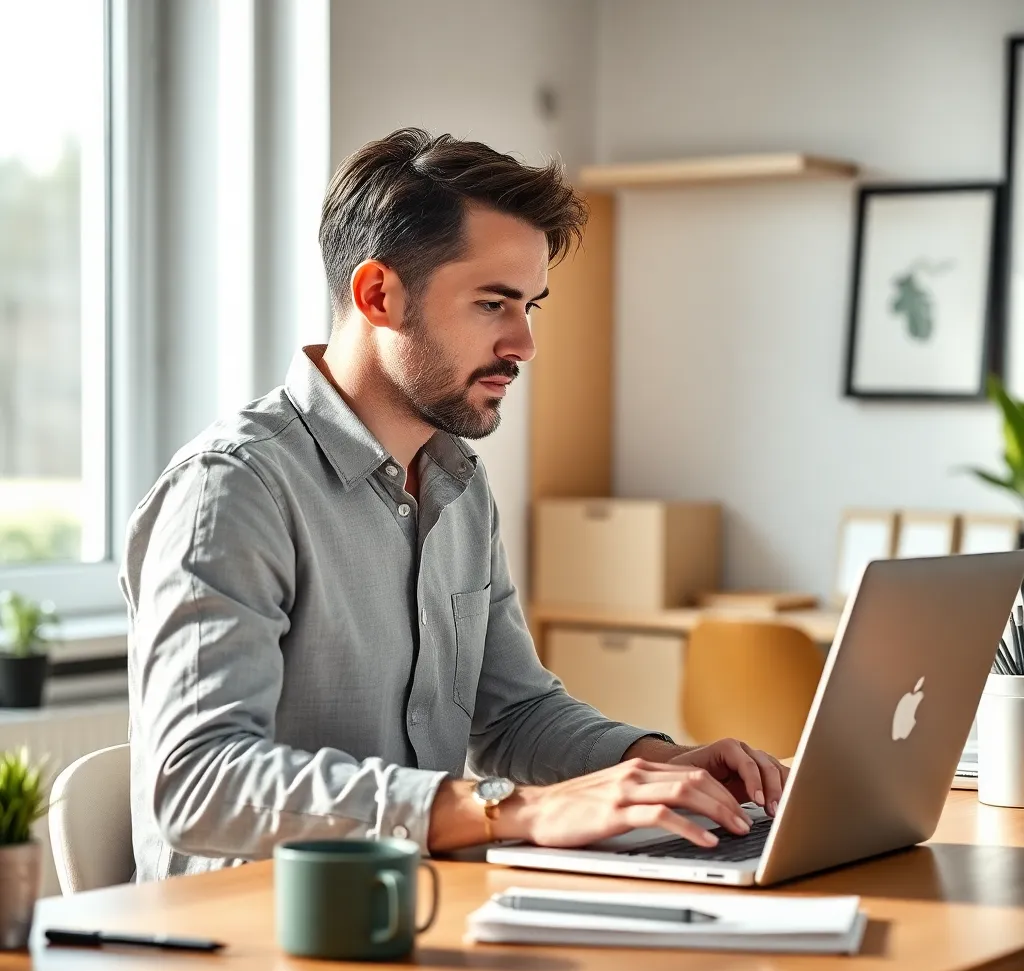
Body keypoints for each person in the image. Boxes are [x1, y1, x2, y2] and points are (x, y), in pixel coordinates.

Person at [121, 128, 788, 881]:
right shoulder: (231, 487)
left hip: (415, 911)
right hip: (247, 951)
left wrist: (662, 766)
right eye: (493, 303)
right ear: (378, 295)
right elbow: (200, 783)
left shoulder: (457, 483)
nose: (525, 343)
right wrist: (517, 812)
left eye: (530, 304)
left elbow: (513, 715)